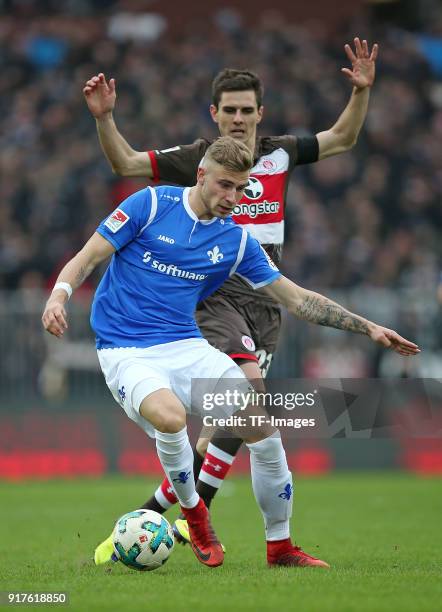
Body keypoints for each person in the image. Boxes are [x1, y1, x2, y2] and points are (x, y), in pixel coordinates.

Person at [42, 137, 418, 569]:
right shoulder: (149, 205)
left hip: (186, 346)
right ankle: (196, 515)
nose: (232, 198)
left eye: (241, 189)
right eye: (225, 186)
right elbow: (88, 256)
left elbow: (296, 299)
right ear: (201, 175)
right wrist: (59, 296)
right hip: (127, 349)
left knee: (262, 426)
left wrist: (367, 326)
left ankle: (280, 547)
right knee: (170, 416)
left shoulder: (234, 240)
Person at [83, 38, 379, 559]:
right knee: (247, 401)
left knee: (227, 427)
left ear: (260, 113)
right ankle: (209, 527)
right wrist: (106, 120)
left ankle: (157, 516)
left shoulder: (281, 152)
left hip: (265, 297)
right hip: (214, 295)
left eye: (248, 110)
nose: (239, 119)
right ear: (214, 114)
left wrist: (361, 92)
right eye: (230, 111)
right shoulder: (196, 160)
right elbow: (126, 163)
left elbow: (341, 139)